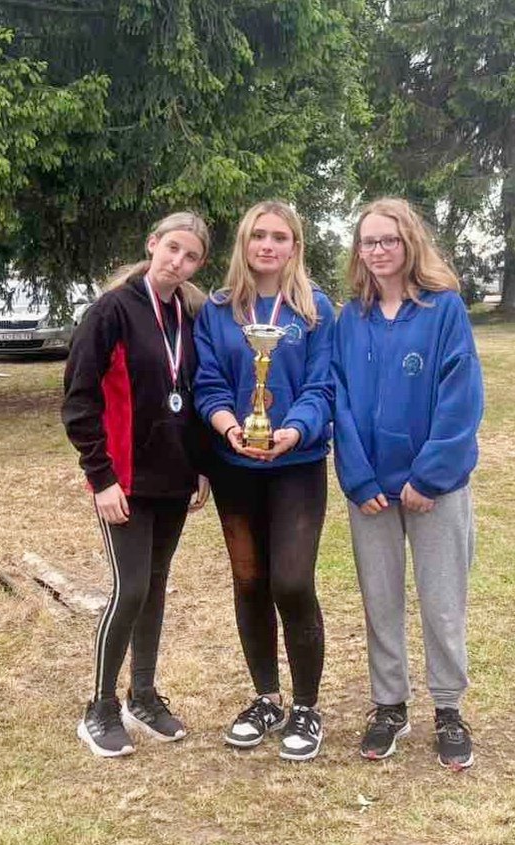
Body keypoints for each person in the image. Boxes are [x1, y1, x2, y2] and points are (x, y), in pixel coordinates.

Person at [331, 197, 484, 770]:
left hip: (432, 488)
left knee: (442, 601)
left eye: (388, 240)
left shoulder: (444, 310)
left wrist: (430, 476)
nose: (378, 251)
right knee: (381, 600)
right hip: (371, 488)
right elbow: (339, 400)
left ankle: (448, 708)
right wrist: (357, 476)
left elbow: (461, 399)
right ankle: (389, 705)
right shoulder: (351, 319)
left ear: (409, 243)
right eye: (368, 242)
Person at [62, 212, 213, 758]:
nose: (178, 262)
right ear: (152, 244)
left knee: (154, 585)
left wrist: (201, 466)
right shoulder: (111, 311)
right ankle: (99, 708)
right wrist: (100, 476)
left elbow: (195, 394)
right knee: (129, 589)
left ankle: (143, 696)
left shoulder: (191, 315)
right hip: (122, 480)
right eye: (172, 248)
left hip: (174, 477)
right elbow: (79, 400)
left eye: (191, 256)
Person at [193, 200, 335, 761]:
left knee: (292, 583)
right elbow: (207, 383)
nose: (268, 245)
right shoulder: (218, 310)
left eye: (279, 237)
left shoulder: (315, 309)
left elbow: (323, 386)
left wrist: (293, 431)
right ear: (244, 244)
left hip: (297, 464)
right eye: (259, 236)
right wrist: (229, 427)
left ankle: (306, 707)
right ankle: (266, 698)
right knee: (249, 581)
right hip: (235, 466)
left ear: (295, 246)